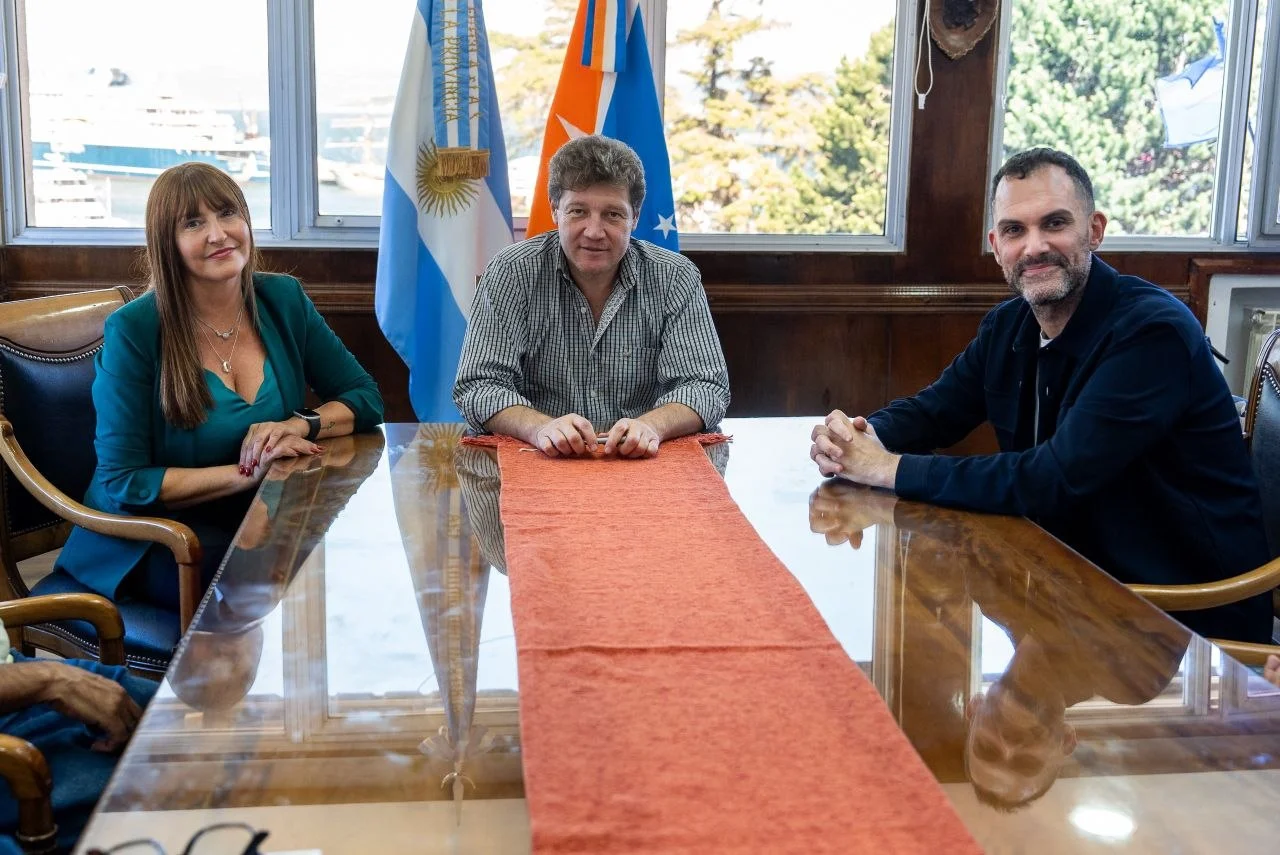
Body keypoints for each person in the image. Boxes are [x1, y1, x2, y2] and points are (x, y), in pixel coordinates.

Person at [809, 147, 1272, 643]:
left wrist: (885, 468)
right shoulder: (1010, 324)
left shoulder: (1153, 333)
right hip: (1071, 586)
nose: (1034, 247)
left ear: (1094, 229)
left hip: (1179, 616)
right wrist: (857, 437)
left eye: (1054, 223)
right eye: (1014, 230)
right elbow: (934, 411)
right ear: (996, 246)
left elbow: (1052, 479)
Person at [56, 162, 384, 611]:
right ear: (167, 244)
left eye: (228, 213)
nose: (218, 234)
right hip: (153, 536)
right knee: (263, 588)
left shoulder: (283, 299)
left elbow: (365, 398)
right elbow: (123, 481)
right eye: (193, 223)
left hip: (255, 518)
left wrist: (299, 425)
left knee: (350, 563)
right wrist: (249, 471)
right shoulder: (134, 330)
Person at [453, 135, 730, 459]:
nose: (594, 231)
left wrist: (652, 426)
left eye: (612, 214)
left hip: (642, 463)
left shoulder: (674, 277)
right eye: (578, 211)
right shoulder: (511, 272)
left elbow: (706, 387)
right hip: (538, 459)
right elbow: (479, 386)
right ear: (555, 210)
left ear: (635, 217)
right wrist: (539, 427)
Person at [0, 616, 156, 850]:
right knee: (161, 789)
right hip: (17, 712)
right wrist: (50, 680)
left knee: (192, 710)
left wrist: (54, 677)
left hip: (14, 669)